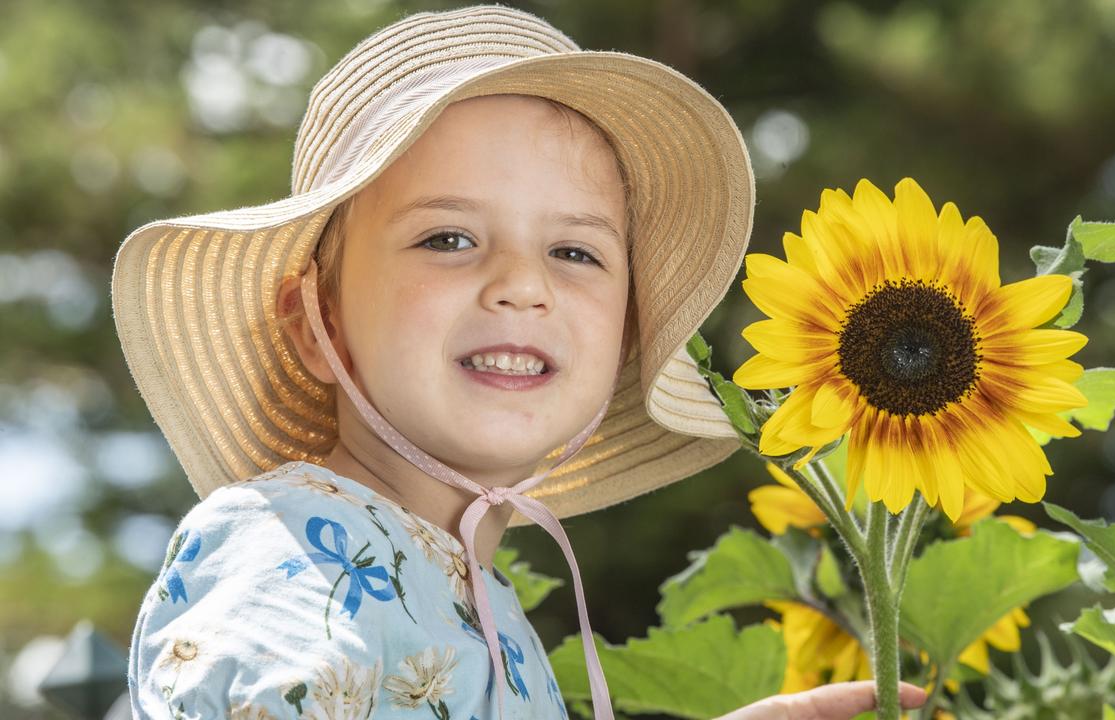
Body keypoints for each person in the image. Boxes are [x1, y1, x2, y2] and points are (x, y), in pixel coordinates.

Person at [113, 5, 927, 718]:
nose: (522, 286)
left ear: (625, 339)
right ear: (313, 320)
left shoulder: (480, 598)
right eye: (449, 238)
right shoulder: (283, 549)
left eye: (574, 252)